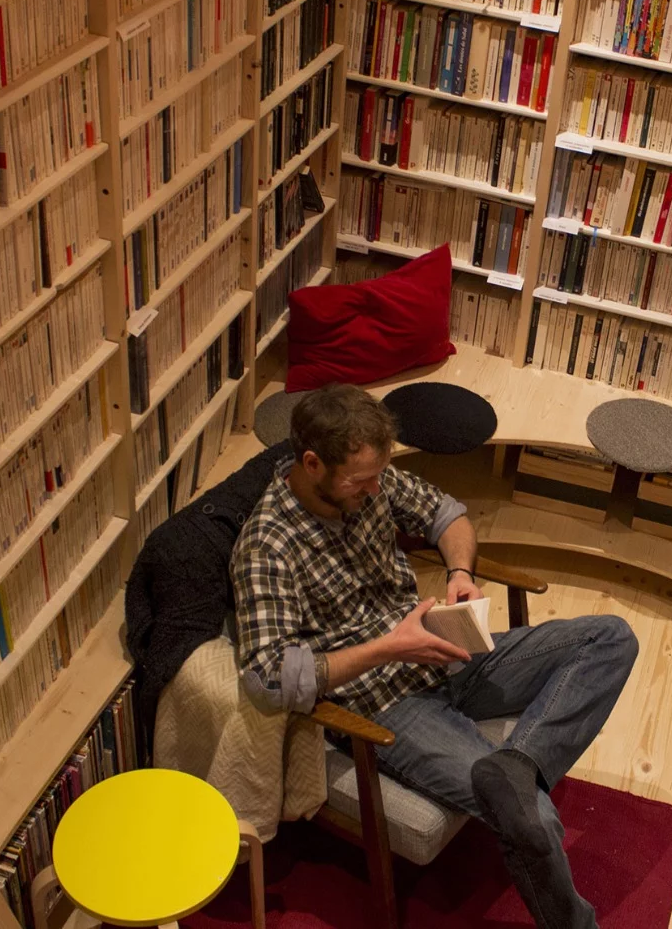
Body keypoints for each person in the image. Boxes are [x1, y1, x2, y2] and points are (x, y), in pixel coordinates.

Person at [231, 383, 639, 929]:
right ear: (311, 463)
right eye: (361, 480)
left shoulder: (369, 482)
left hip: (449, 653)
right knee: (533, 817)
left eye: (380, 475)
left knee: (610, 638)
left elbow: (448, 515)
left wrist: (461, 574)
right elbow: (269, 681)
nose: (376, 490)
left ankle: (515, 764)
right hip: (387, 705)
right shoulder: (267, 545)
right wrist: (387, 649)